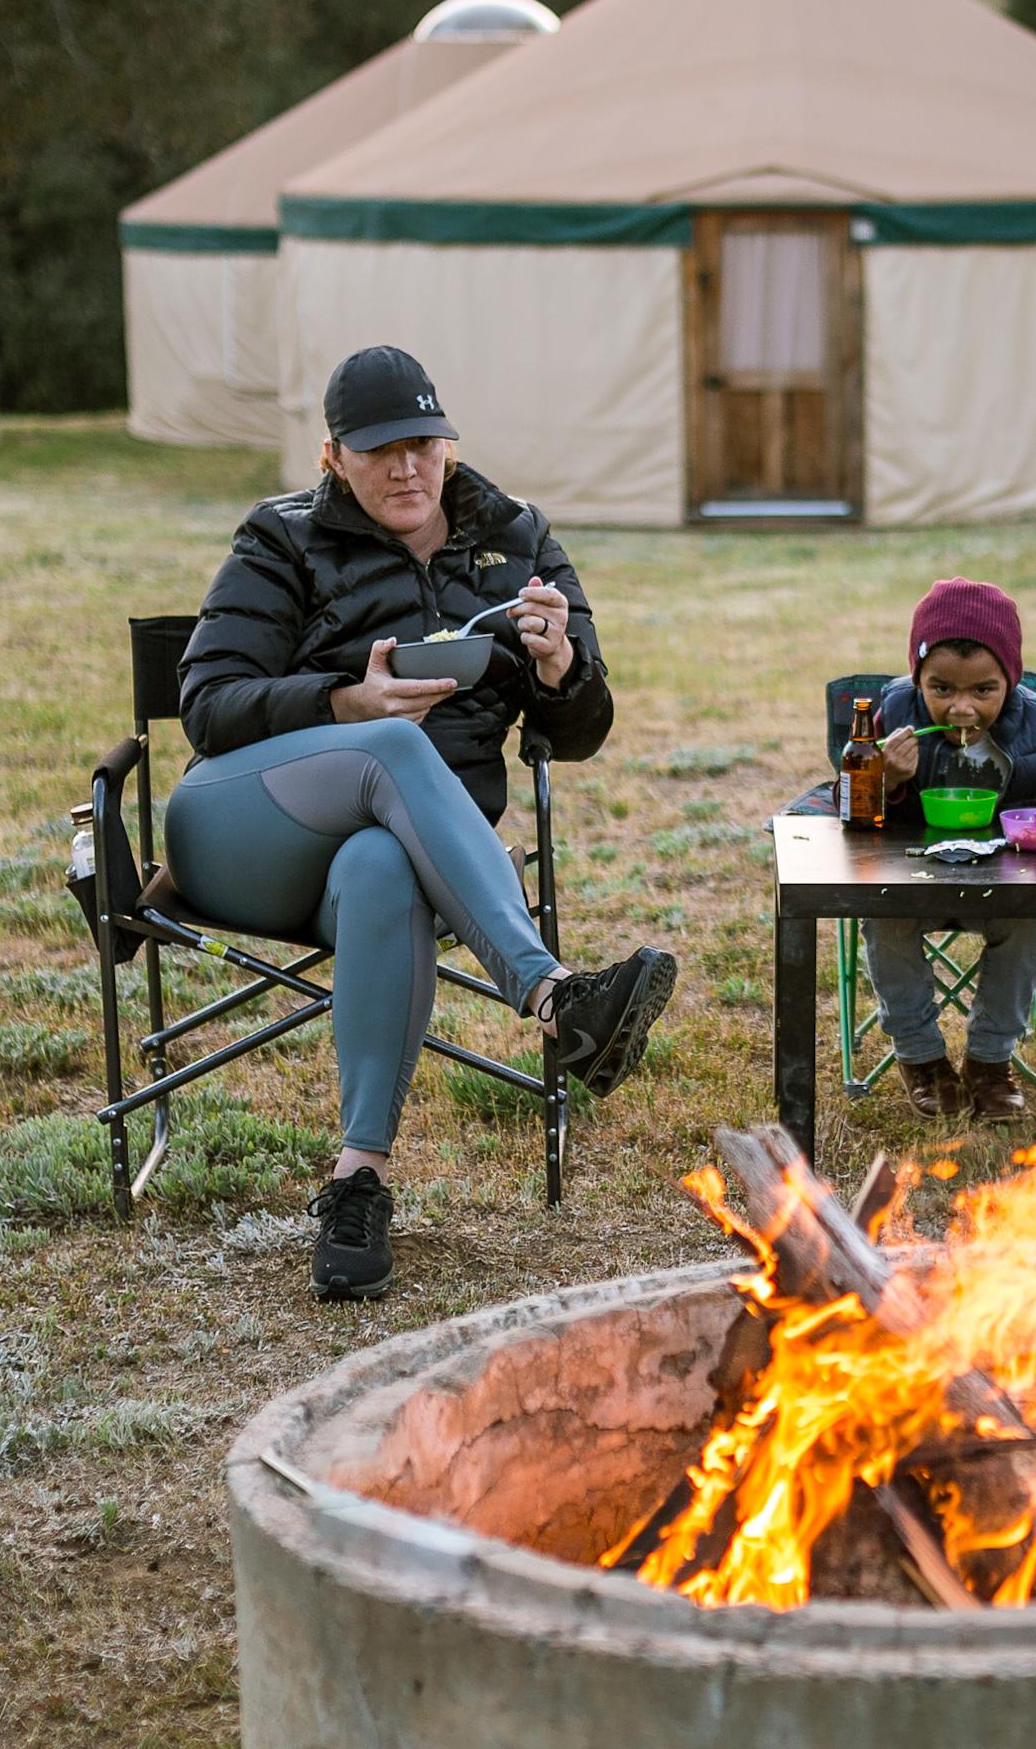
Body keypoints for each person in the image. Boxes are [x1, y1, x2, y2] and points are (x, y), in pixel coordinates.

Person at [164, 344, 678, 1301]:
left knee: (382, 866)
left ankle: (356, 1185)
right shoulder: (280, 539)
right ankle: (557, 998)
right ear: (333, 458)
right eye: (377, 450)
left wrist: (562, 669)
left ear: (450, 445)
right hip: (243, 828)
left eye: (422, 444)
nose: (404, 467)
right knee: (400, 745)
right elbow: (207, 705)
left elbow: (583, 733)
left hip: (406, 858)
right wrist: (341, 704)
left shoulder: (519, 540)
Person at [857, 578, 1036, 1120]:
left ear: (1010, 679)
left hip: (1002, 883)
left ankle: (990, 1060)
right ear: (917, 679)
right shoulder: (890, 721)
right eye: (941, 690)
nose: (962, 709)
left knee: (1033, 921)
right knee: (882, 917)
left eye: (983, 691)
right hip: (912, 883)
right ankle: (922, 1058)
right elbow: (848, 812)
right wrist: (884, 780)